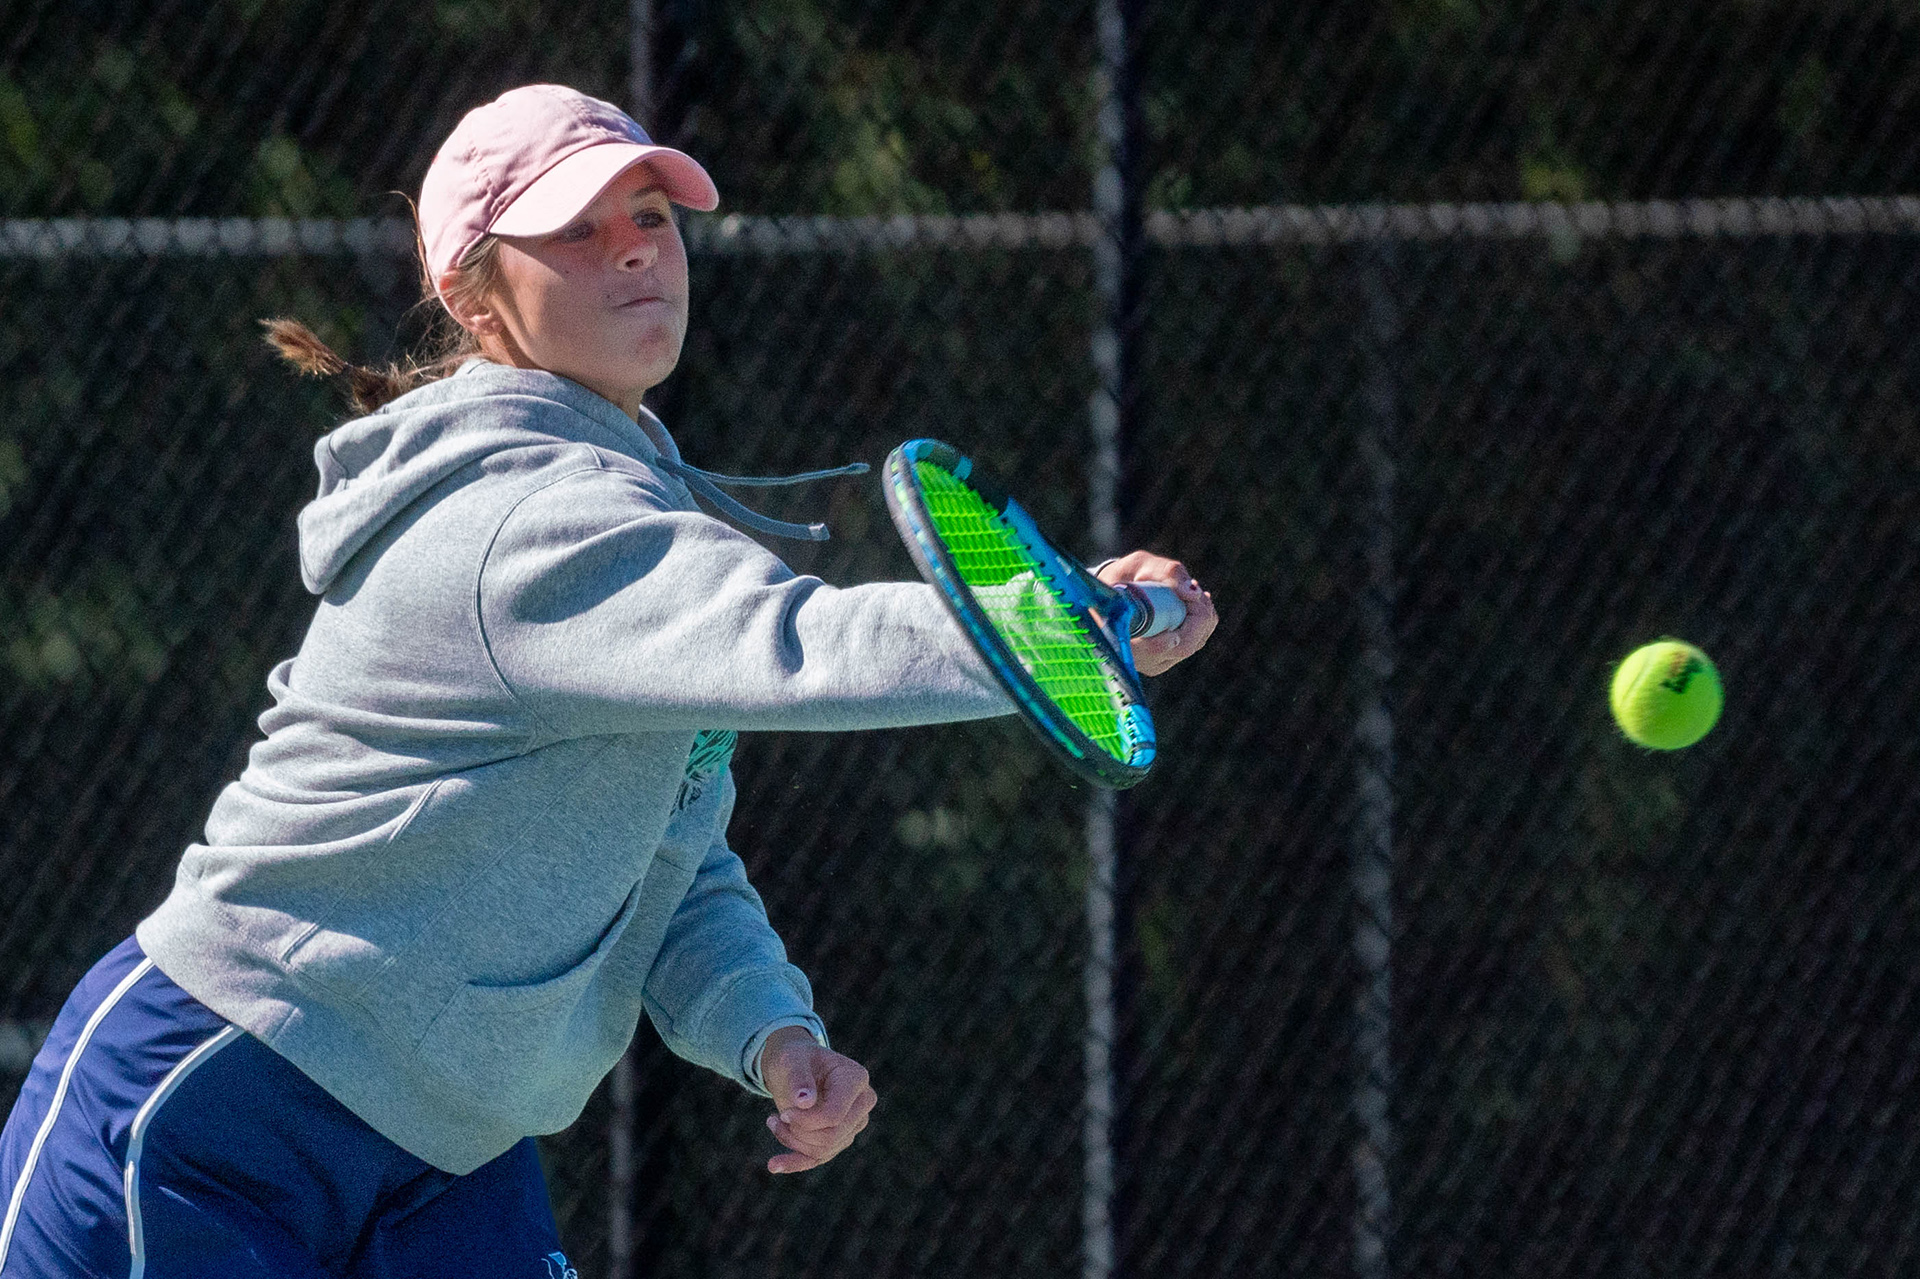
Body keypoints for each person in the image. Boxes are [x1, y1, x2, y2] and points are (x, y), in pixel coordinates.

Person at [0, 84, 1217, 1277]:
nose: (634, 252)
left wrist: (770, 1030)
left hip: (452, 1148)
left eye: (651, 219)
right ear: (475, 298)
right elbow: (801, 646)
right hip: (221, 1104)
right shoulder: (522, 519)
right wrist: (1064, 613)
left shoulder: (632, 494)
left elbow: (664, 844)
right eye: (576, 229)